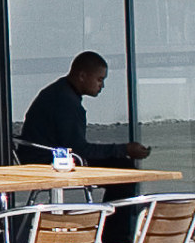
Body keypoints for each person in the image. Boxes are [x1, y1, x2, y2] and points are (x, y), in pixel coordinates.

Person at [14, 51, 148, 167]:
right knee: (122, 166)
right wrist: (124, 150)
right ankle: (118, 198)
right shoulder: (66, 103)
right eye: (99, 80)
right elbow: (78, 150)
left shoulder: (58, 91)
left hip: (36, 157)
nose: (102, 86)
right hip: (48, 162)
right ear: (82, 76)